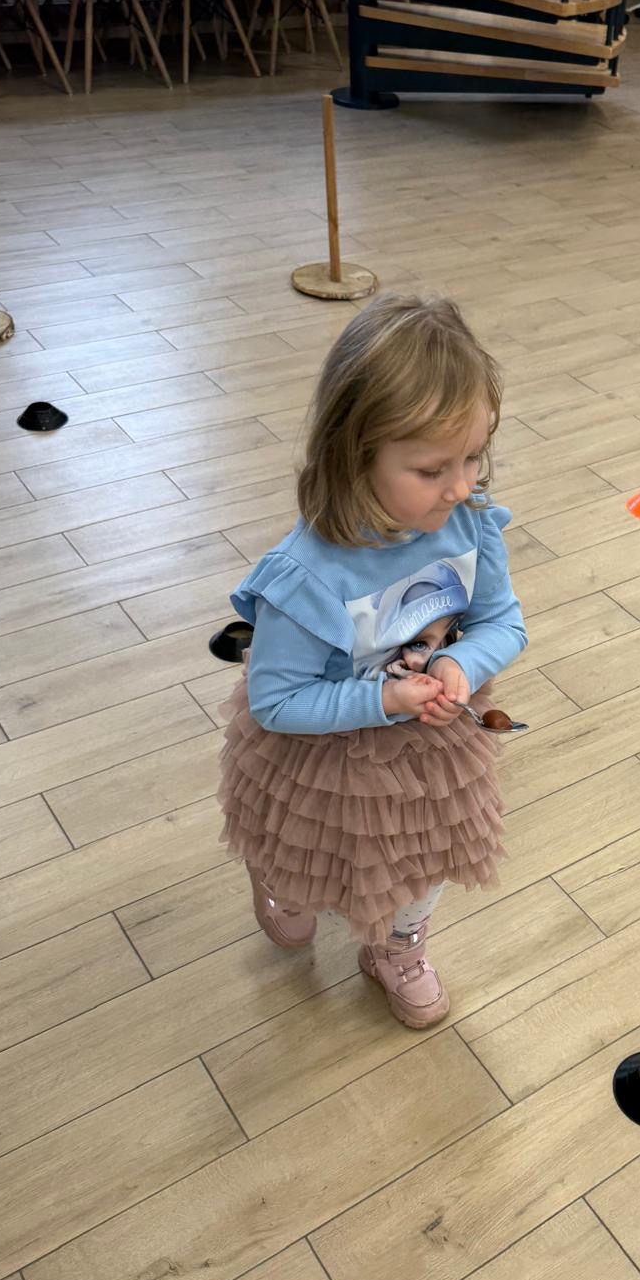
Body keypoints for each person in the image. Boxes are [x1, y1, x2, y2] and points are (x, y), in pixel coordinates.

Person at [218, 294, 527, 1029]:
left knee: (424, 859)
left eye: (473, 457)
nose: (461, 486)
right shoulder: (308, 577)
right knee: (308, 852)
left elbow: (502, 621)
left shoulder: (471, 524)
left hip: (429, 747)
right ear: (354, 456)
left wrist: (463, 663)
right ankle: (284, 885)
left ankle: (399, 946)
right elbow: (278, 702)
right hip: (319, 751)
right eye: (431, 468)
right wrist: (383, 701)